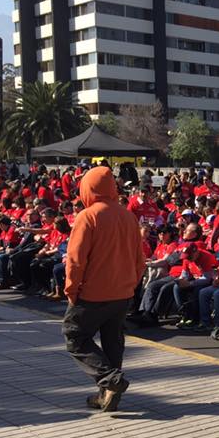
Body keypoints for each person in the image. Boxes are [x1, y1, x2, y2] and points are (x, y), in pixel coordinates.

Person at [63, 167, 146, 412]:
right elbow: (139, 260)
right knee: (113, 342)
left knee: (75, 336)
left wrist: (71, 291)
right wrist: (131, 284)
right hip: (123, 293)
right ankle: (107, 393)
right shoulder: (128, 216)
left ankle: (111, 380)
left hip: (92, 294)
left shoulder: (87, 216)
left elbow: (76, 260)